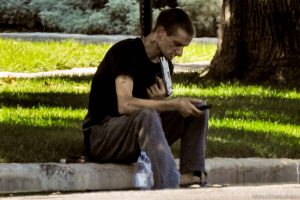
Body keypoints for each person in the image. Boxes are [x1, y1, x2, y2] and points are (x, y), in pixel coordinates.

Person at [82, 8, 209, 189]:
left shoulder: (165, 65)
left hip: (135, 138)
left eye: (183, 47)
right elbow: (125, 105)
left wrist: (163, 103)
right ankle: (167, 180)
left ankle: (191, 175)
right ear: (160, 33)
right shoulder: (126, 51)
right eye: (177, 44)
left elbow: (147, 114)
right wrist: (169, 104)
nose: (180, 52)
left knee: (197, 108)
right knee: (148, 114)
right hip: (102, 137)